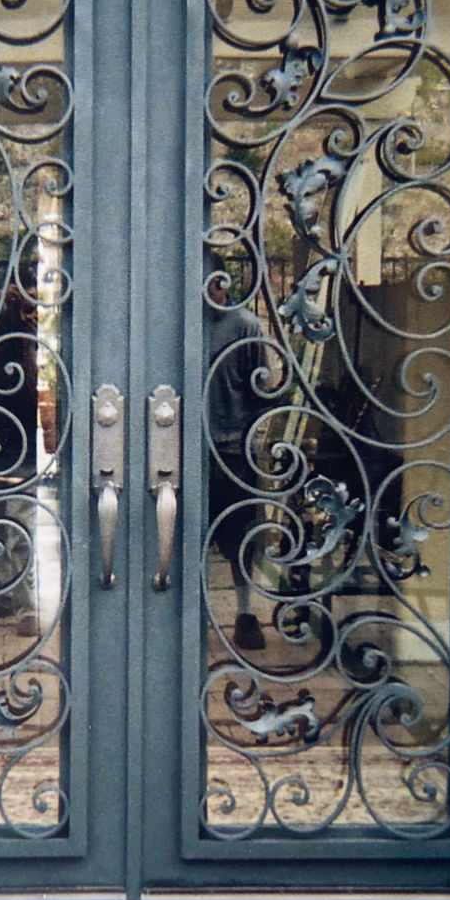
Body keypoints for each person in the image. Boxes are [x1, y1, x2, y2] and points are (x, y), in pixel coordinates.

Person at [205, 267, 270, 653]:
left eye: (216, 282)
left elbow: (261, 389)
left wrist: (254, 444)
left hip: (232, 449)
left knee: (240, 537)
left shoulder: (246, 326)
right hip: (185, 450)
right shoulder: (178, 322)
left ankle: (245, 613)